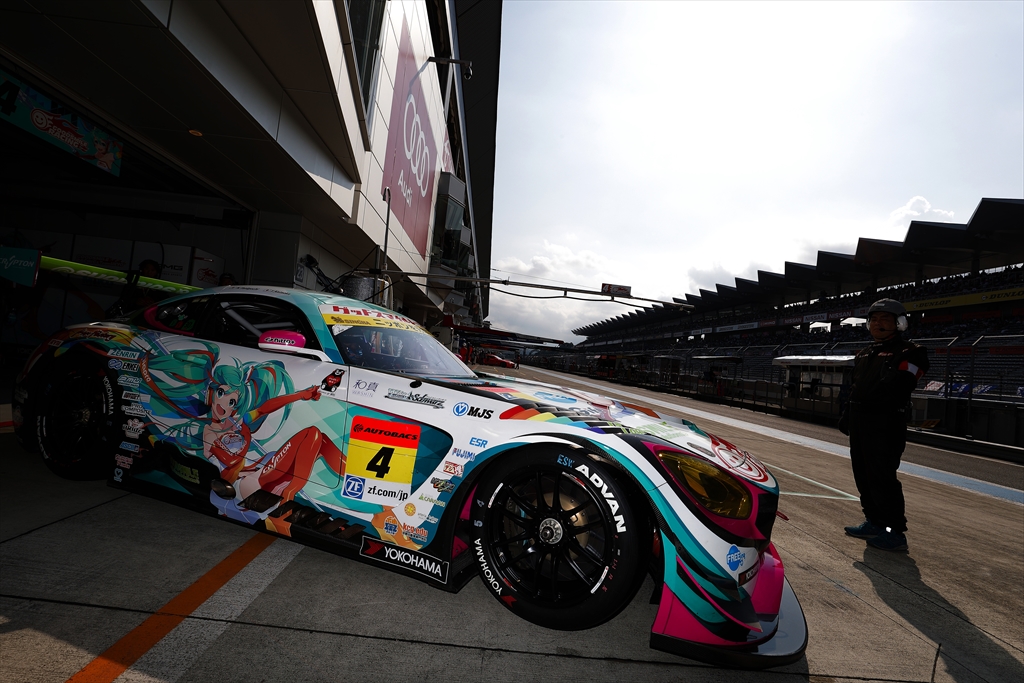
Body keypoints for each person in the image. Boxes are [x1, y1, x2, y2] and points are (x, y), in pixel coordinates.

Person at [839, 299, 929, 551]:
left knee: (882, 476)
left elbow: (904, 383)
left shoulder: (911, 351)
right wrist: (847, 413)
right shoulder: (865, 353)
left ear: (899, 323)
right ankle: (874, 522)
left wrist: (882, 389)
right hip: (860, 420)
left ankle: (894, 532)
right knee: (862, 474)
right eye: (874, 319)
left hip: (885, 421)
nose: (878, 324)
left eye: (885, 319)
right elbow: (855, 387)